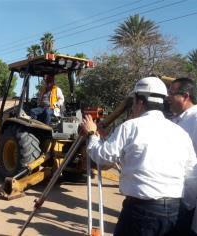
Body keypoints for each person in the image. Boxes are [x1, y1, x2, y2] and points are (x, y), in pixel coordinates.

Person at [81, 77, 197, 236]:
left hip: (141, 212)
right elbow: (192, 176)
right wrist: (183, 208)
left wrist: (92, 134)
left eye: (133, 101)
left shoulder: (129, 127)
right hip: (176, 211)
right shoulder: (180, 132)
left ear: (140, 102)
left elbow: (103, 157)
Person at [166, 77, 197, 235]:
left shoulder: (195, 120)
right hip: (175, 198)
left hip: (186, 201)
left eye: (171, 93)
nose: (168, 97)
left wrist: (187, 202)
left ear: (185, 96)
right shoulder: (179, 120)